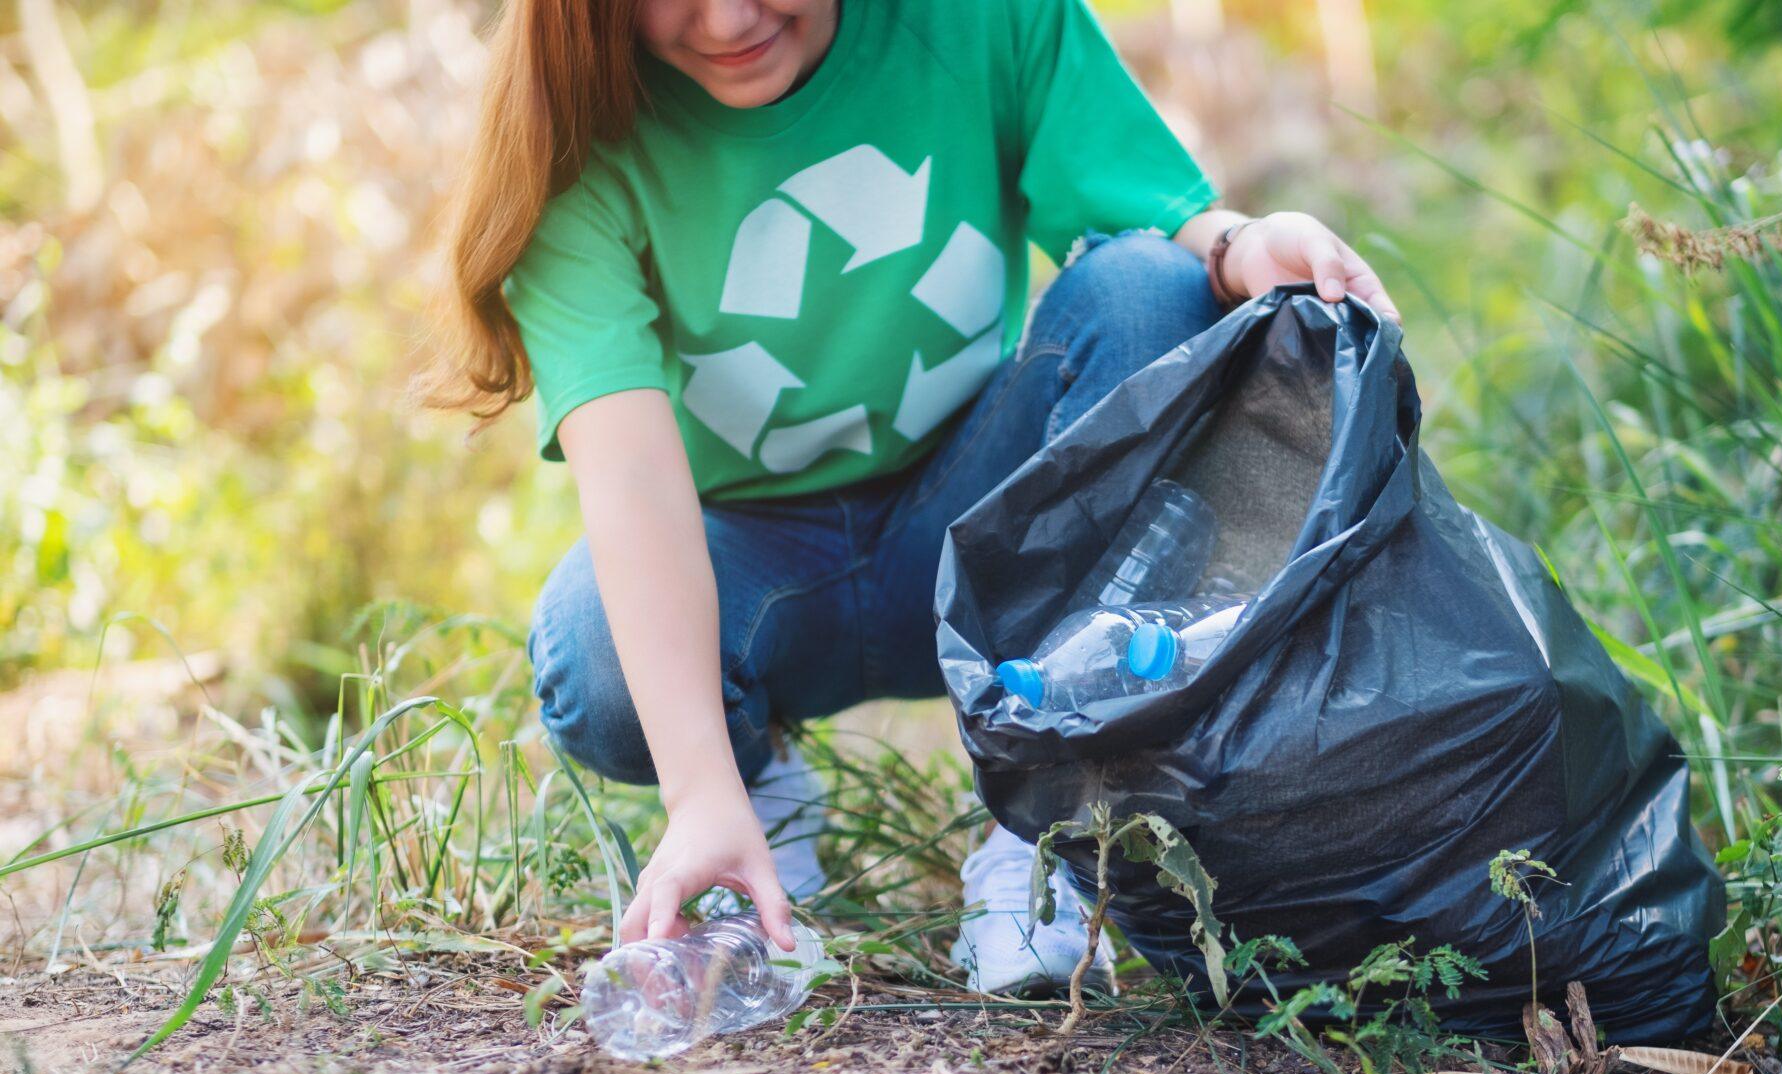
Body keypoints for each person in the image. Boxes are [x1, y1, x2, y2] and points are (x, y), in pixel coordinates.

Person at [423, 0, 1398, 996]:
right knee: (593, 651)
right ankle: (751, 817)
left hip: (982, 532)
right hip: (760, 579)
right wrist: (698, 790)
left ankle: (1038, 833)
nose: (725, 20)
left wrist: (1239, 247)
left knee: (1150, 285)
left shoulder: (977, 20)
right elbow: (629, 480)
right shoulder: (571, 136)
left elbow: (1156, 227)